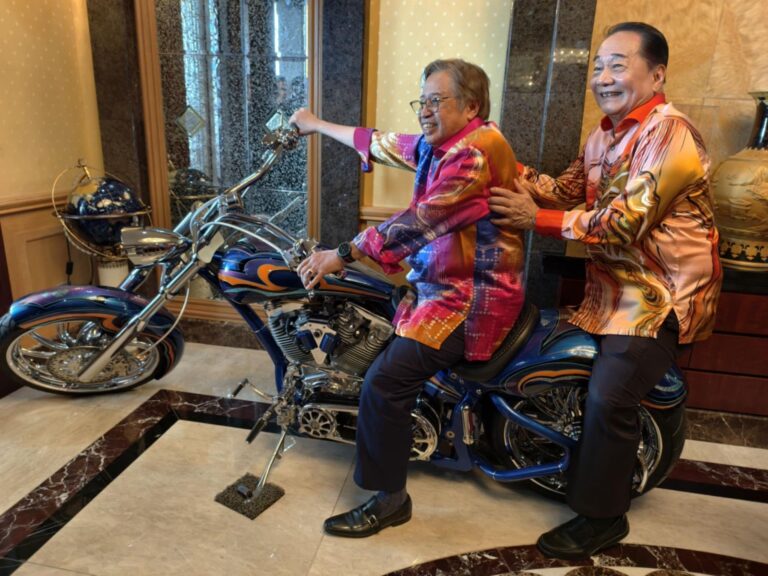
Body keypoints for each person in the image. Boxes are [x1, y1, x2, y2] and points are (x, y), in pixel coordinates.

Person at [489, 22, 722, 559]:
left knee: (610, 395)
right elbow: (563, 190)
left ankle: (603, 517)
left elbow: (623, 222)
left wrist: (534, 219)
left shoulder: (671, 134)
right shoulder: (603, 136)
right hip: (610, 297)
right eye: (598, 66)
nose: (603, 77)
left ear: (657, 75)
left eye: (618, 65)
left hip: (660, 299)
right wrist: (500, 158)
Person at [289, 59, 525, 537]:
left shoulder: (475, 154)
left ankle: (389, 499)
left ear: (471, 106)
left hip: (468, 300)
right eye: (423, 101)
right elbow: (384, 142)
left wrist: (343, 253)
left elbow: (424, 217)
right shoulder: (444, 146)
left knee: (384, 382)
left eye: (437, 101)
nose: (425, 110)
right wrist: (315, 124)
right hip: (440, 287)